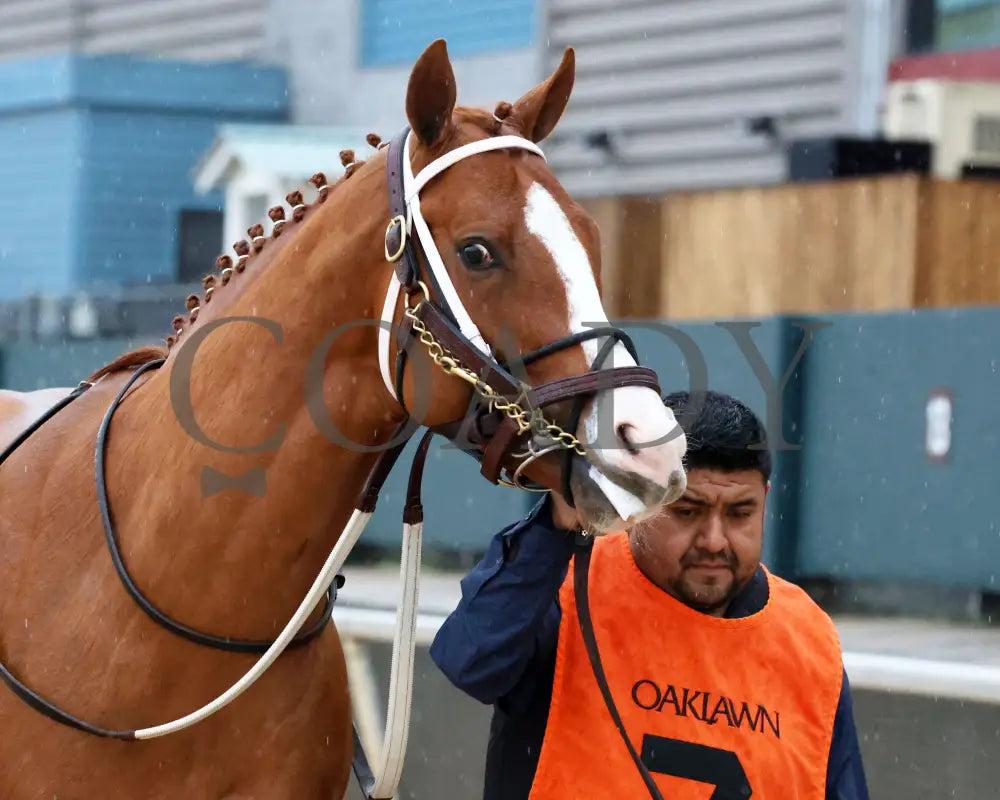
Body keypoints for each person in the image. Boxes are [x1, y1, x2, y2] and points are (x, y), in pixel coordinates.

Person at [430, 390, 869, 799]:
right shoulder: (565, 583)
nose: (715, 540)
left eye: (740, 513)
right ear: (643, 497)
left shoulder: (809, 642)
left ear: (766, 500)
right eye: (688, 511)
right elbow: (469, 661)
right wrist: (553, 526)